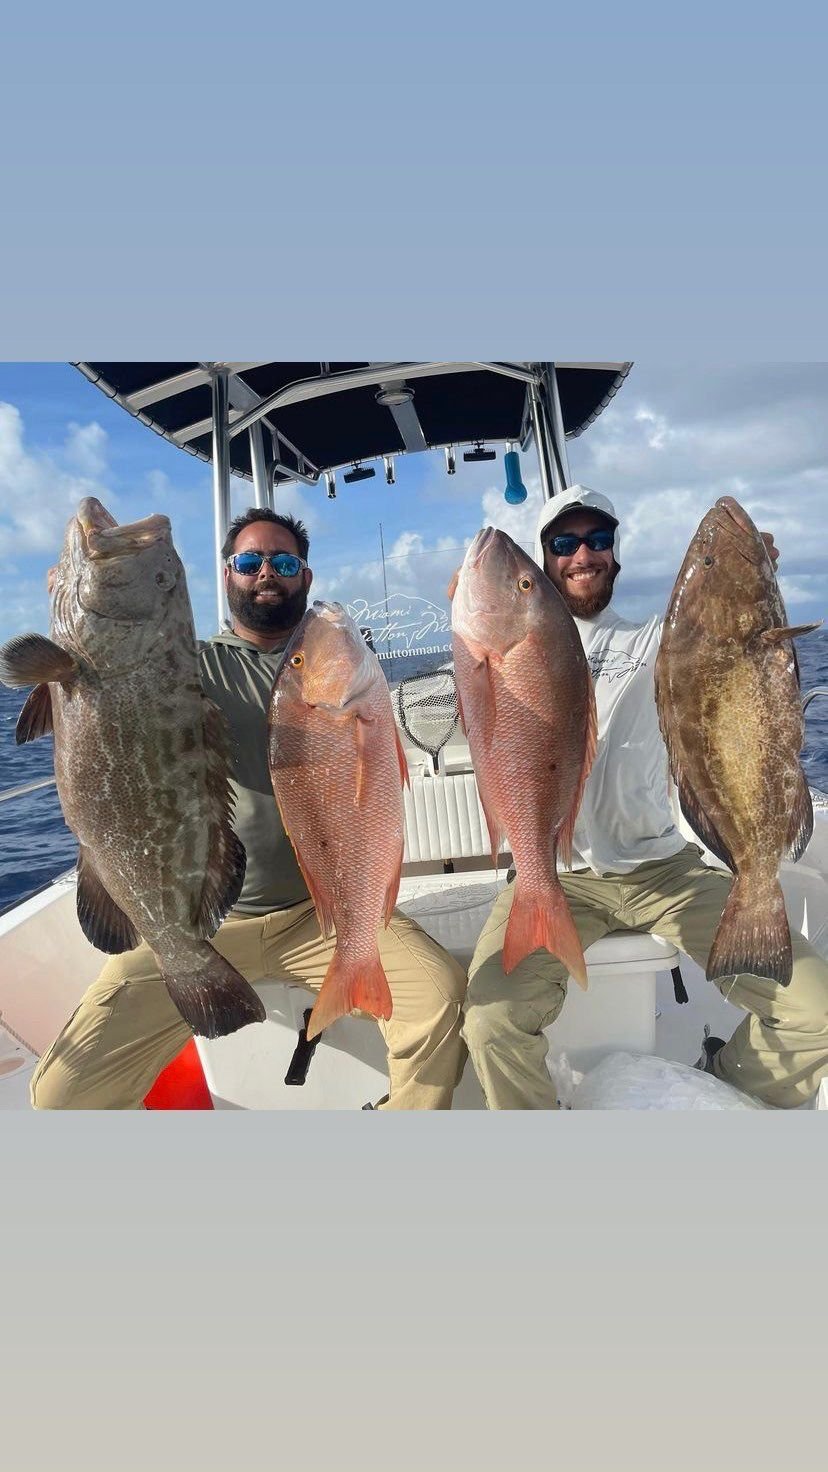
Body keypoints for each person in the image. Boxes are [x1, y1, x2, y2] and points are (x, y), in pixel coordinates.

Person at [31, 508, 467, 1110]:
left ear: (306, 578)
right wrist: (71, 625)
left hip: (321, 915)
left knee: (439, 996)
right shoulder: (187, 662)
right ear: (228, 574)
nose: (267, 572)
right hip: (192, 919)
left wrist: (469, 611)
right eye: (250, 560)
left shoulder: (345, 666)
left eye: (284, 562)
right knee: (61, 1096)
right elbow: (113, 684)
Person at [461, 484, 828, 1109]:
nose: (584, 554)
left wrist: (746, 584)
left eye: (598, 540)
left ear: (616, 555)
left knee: (816, 1011)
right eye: (564, 542)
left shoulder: (658, 641)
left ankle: (720, 1088)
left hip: (669, 872)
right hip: (559, 877)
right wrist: (479, 599)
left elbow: (717, 647)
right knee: (489, 1024)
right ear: (543, 559)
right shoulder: (494, 652)